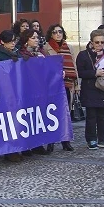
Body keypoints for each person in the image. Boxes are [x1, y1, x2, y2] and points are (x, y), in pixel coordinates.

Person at [76, 30, 104, 150]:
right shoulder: (83, 55)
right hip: (91, 88)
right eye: (97, 42)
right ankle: (91, 139)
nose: (100, 44)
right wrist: (95, 73)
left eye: (102, 42)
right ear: (91, 42)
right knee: (91, 116)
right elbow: (80, 72)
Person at [43, 23, 76, 151]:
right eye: (55, 32)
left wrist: (76, 83)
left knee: (65, 113)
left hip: (67, 83)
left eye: (60, 32)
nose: (58, 34)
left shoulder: (69, 47)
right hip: (52, 85)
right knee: (52, 112)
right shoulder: (46, 47)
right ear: (51, 34)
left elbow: (73, 64)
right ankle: (51, 141)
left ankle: (65, 140)